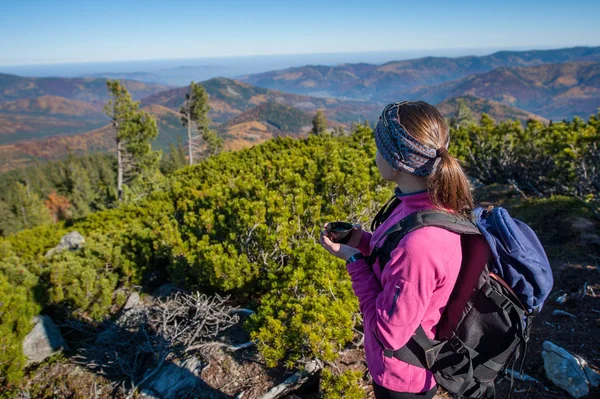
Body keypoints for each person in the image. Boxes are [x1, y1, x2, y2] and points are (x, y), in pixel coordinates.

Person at [320, 101, 474, 399]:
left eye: (379, 148)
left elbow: (389, 334)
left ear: (396, 162)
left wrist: (353, 261)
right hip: (406, 366)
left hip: (403, 379)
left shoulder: (422, 242)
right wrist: (360, 240)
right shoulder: (419, 204)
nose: (374, 155)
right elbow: (394, 259)